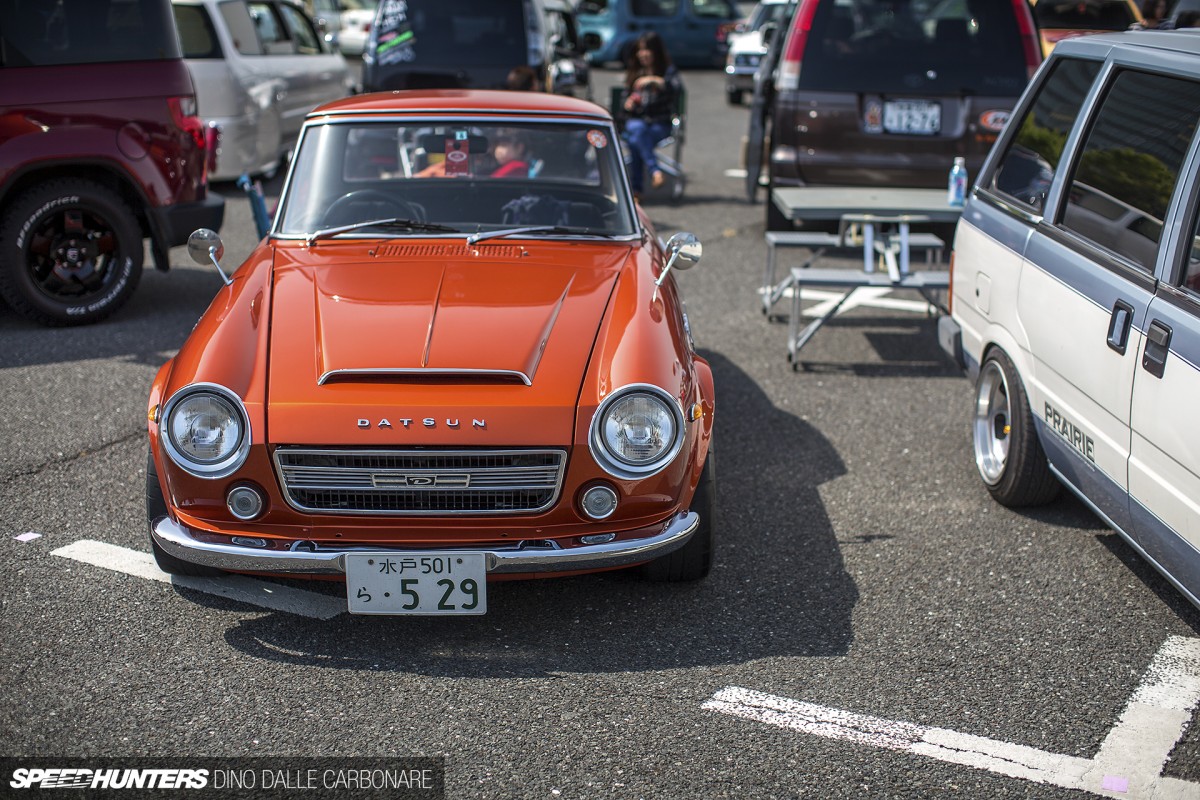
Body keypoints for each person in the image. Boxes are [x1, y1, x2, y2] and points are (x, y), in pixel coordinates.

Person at [621, 31, 681, 197]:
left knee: (635, 139)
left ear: (656, 51)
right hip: (637, 121)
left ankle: (637, 191)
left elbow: (676, 89)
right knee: (637, 131)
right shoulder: (635, 71)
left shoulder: (667, 71)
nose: (642, 54)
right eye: (640, 50)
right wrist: (629, 103)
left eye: (646, 50)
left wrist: (655, 80)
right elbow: (624, 100)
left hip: (659, 123)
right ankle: (655, 172)